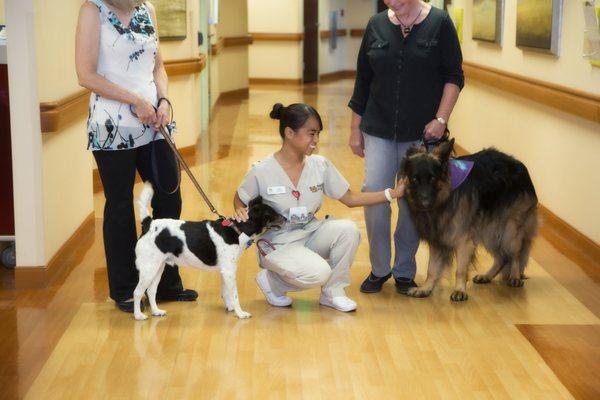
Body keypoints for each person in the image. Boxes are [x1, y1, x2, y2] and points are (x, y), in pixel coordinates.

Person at [75, 0, 197, 313]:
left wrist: (164, 100)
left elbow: (159, 67)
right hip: (112, 125)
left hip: (154, 122)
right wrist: (135, 101)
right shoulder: (93, 10)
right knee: (119, 206)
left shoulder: (148, 9)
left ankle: (167, 282)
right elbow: (85, 74)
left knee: (170, 198)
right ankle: (126, 289)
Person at [233, 103, 406, 312]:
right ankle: (272, 282)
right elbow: (240, 197)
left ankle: (333, 292)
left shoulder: (319, 165)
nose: (316, 140)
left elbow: (350, 198)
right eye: (311, 133)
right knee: (319, 272)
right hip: (279, 242)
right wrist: (240, 209)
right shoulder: (261, 170)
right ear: (289, 133)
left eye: (318, 134)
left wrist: (392, 193)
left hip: (311, 231)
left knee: (349, 231)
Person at [348, 0, 464, 295]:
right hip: (377, 128)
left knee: (414, 200)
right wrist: (354, 129)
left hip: (421, 133)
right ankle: (379, 268)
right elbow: (363, 80)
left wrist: (441, 118)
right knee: (375, 192)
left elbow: (454, 77)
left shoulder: (439, 23)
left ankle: (403, 270)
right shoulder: (376, 25)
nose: (392, 3)